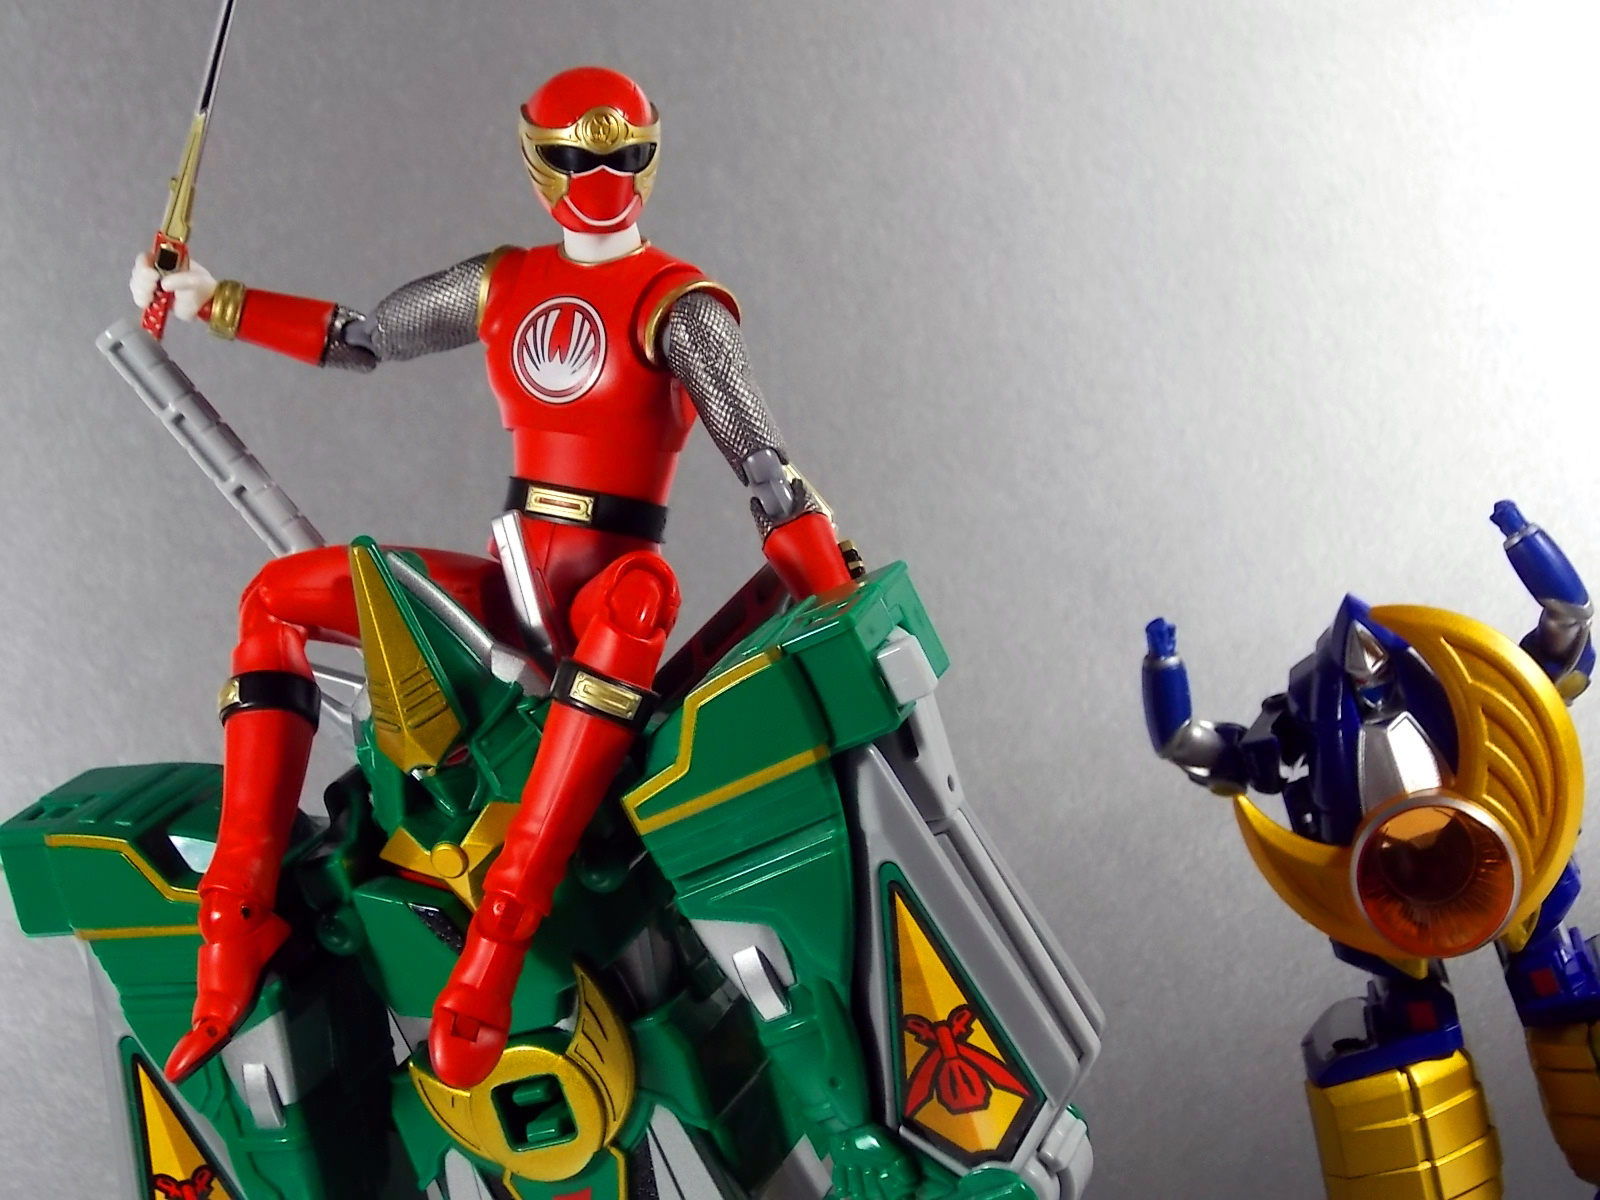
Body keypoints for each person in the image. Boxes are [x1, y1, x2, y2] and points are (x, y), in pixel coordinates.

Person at [132, 65, 853, 1089]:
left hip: (613, 582)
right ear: (533, 161)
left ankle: (500, 934)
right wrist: (215, 301)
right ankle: (234, 914)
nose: (599, 178)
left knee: (641, 601)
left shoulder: (679, 303)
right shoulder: (499, 281)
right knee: (275, 598)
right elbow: (363, 337)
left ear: (651, 155)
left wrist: (833, 594)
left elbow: (765, 468)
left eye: (622, 154)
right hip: (511, 578)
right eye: (573, 157)